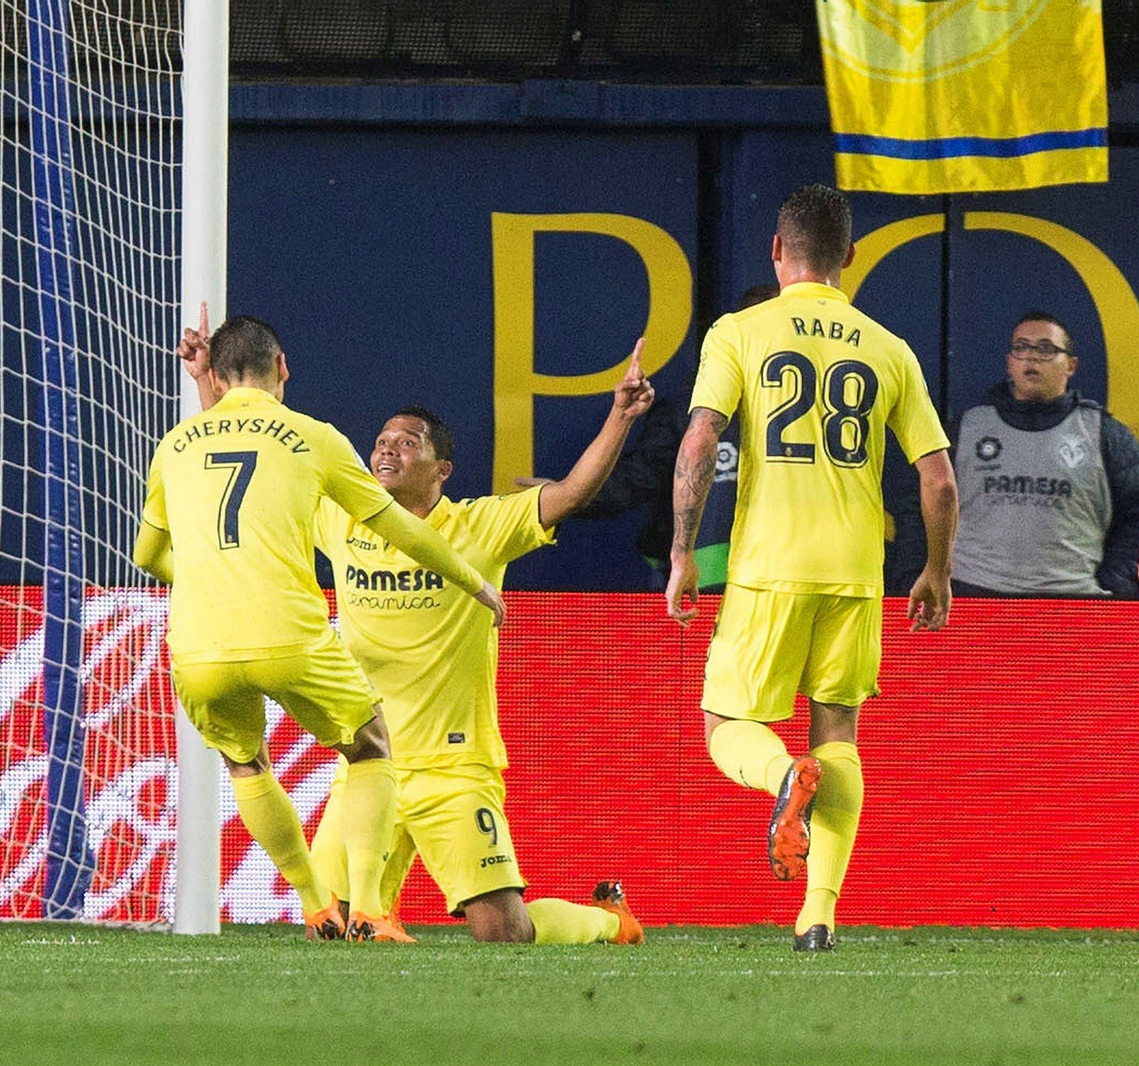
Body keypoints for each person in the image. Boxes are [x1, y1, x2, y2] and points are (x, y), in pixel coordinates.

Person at [178, 327, 653, 946]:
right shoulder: (342, 518)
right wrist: (207, 388)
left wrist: (619, 415)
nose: (387, 450)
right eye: (381, 441)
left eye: (408, 442)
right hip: (366, 762)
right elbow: (241, 462)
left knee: (504, 933)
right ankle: (380, 929)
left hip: (451, 766)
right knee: (332, 927)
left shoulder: (480, 524)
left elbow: (568, 494)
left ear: (442, 468)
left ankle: (608, 922)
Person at [135, 308, 506, 943]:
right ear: (282, 368)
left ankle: (312, 901)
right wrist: (474, 582)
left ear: (219, 379)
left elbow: (147, 556)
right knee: (369, 747)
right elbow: (400, 527)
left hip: (199, 647)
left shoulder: (176, 444)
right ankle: (365, 905)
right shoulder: (314, 437)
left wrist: (206, 578)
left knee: (247, 765)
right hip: (290, 637)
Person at [667, 184, 958, 952]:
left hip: (769, 562)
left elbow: (699, 443)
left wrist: (681, 551)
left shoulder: (740, 330)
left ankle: (779, 778)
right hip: (857, 569)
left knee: (725, 722)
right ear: (850, 258)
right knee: (841, 732)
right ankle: (818, 917)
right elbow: (939, 479)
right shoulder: (888, 347)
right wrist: (937, 571)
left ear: (776, 249)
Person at [523, 284, 778, 592]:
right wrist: (566, 496)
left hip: (787, 583)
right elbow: (638, 478)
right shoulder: (689, 412)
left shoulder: (810, 413)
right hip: (699, 590)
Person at [912, 310, 1139, 597]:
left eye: (1045, 349)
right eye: (1021, 348)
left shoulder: (1104, 433)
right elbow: (919, 504)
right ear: (1009, 362)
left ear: (1070, 365)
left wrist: (1113, 582)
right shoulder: (967, 429)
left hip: (1072, 598)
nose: (1030, 357)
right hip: (972, 594)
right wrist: (920, 573)